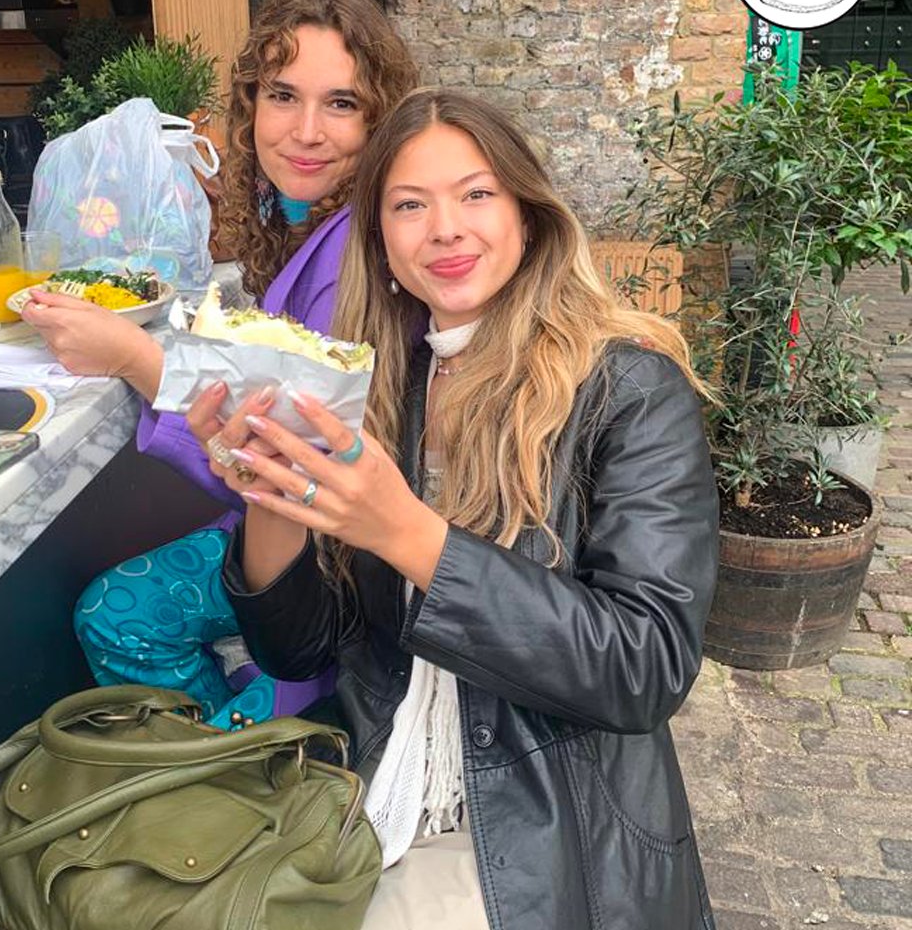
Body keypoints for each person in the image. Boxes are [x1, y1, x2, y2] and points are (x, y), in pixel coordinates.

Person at [190, 89, 719, 928]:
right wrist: (271, 489)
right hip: (383, 793)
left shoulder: (627, 389)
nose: (444, 228)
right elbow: (300, 652)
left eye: (476, 194)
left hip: (548, 827)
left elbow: (645, 666)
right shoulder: (381, 386)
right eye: (409, 205)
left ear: (529, 215)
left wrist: (406, 533)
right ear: (380, 240)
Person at [20, 0, 417, 718]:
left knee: (117, 614)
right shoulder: (305, 218)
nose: (304, 131)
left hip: (336, 567)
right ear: (250, 106)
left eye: (341, 103)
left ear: (380, 121)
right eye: (282, 96)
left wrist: (129, 357)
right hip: (304, 537)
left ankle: (246, 750)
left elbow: (286, 456)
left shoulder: (354, 255)